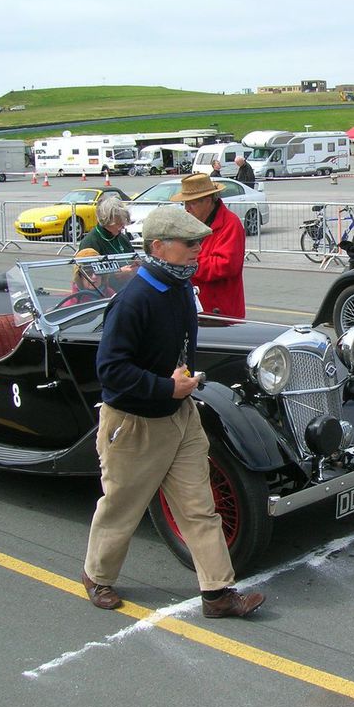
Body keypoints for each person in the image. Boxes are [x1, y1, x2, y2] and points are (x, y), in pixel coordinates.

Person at [82, 204, 265, 618]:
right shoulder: (133, 300)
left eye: (199, 242)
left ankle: (218, 594)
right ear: (159, 247)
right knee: (121, 507)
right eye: (190, 243)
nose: (198, 249)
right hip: (134, 424)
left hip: (179, 415)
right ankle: (97, 576)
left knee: (199, 507)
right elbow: (110, 371)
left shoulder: (179, 286)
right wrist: (167, 386)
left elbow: (182, 346)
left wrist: (180, 386)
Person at [175, 173, 246, 318]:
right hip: (195, 305)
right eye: (185, 203)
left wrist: (184, 262)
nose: (187, 208)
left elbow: (225, 265)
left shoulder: (230, 223)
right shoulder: (191, 221)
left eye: (191, 203)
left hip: (220, 311)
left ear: (208, 201)